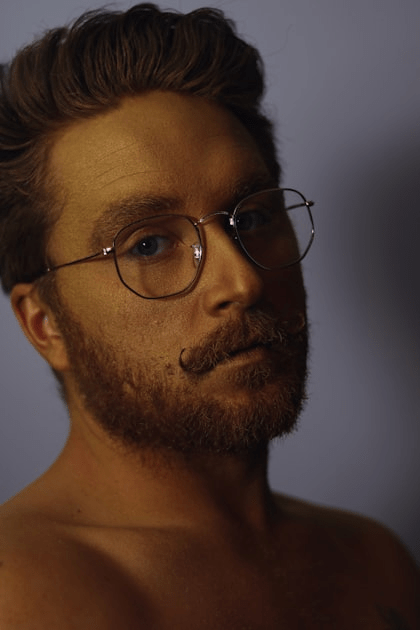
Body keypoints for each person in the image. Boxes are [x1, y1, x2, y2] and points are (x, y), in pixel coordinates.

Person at [0, 4, 418, 628]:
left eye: (252, 217)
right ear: (44, 324)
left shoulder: (376, 563)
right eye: (148, 244)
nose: (243, 282)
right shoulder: (20, 598)